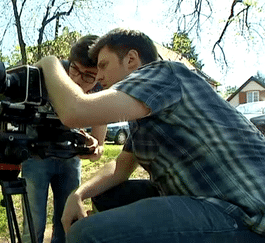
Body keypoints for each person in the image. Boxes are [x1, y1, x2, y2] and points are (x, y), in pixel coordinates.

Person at [35, 28, 265, 242]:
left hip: (246, 212)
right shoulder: (144, 115)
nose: (98, 77)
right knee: (108, 196)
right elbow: (120, 168)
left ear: (132, 59)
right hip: (208, 202)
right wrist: (79, 193)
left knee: (85, 234)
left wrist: (49, 63)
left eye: (103, 65)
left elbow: (76, 111)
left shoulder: (164, 74)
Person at [22, 35, 107, 243]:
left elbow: (99, 147)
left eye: (89, 76)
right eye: (75, 70)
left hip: (70, 160)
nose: (78, 79)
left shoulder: (102, 90)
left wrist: (93, 149)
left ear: (98, 76)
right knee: (33, 224)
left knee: (67, 224)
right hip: (36, 156)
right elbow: (40, 65)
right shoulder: (55, 71)